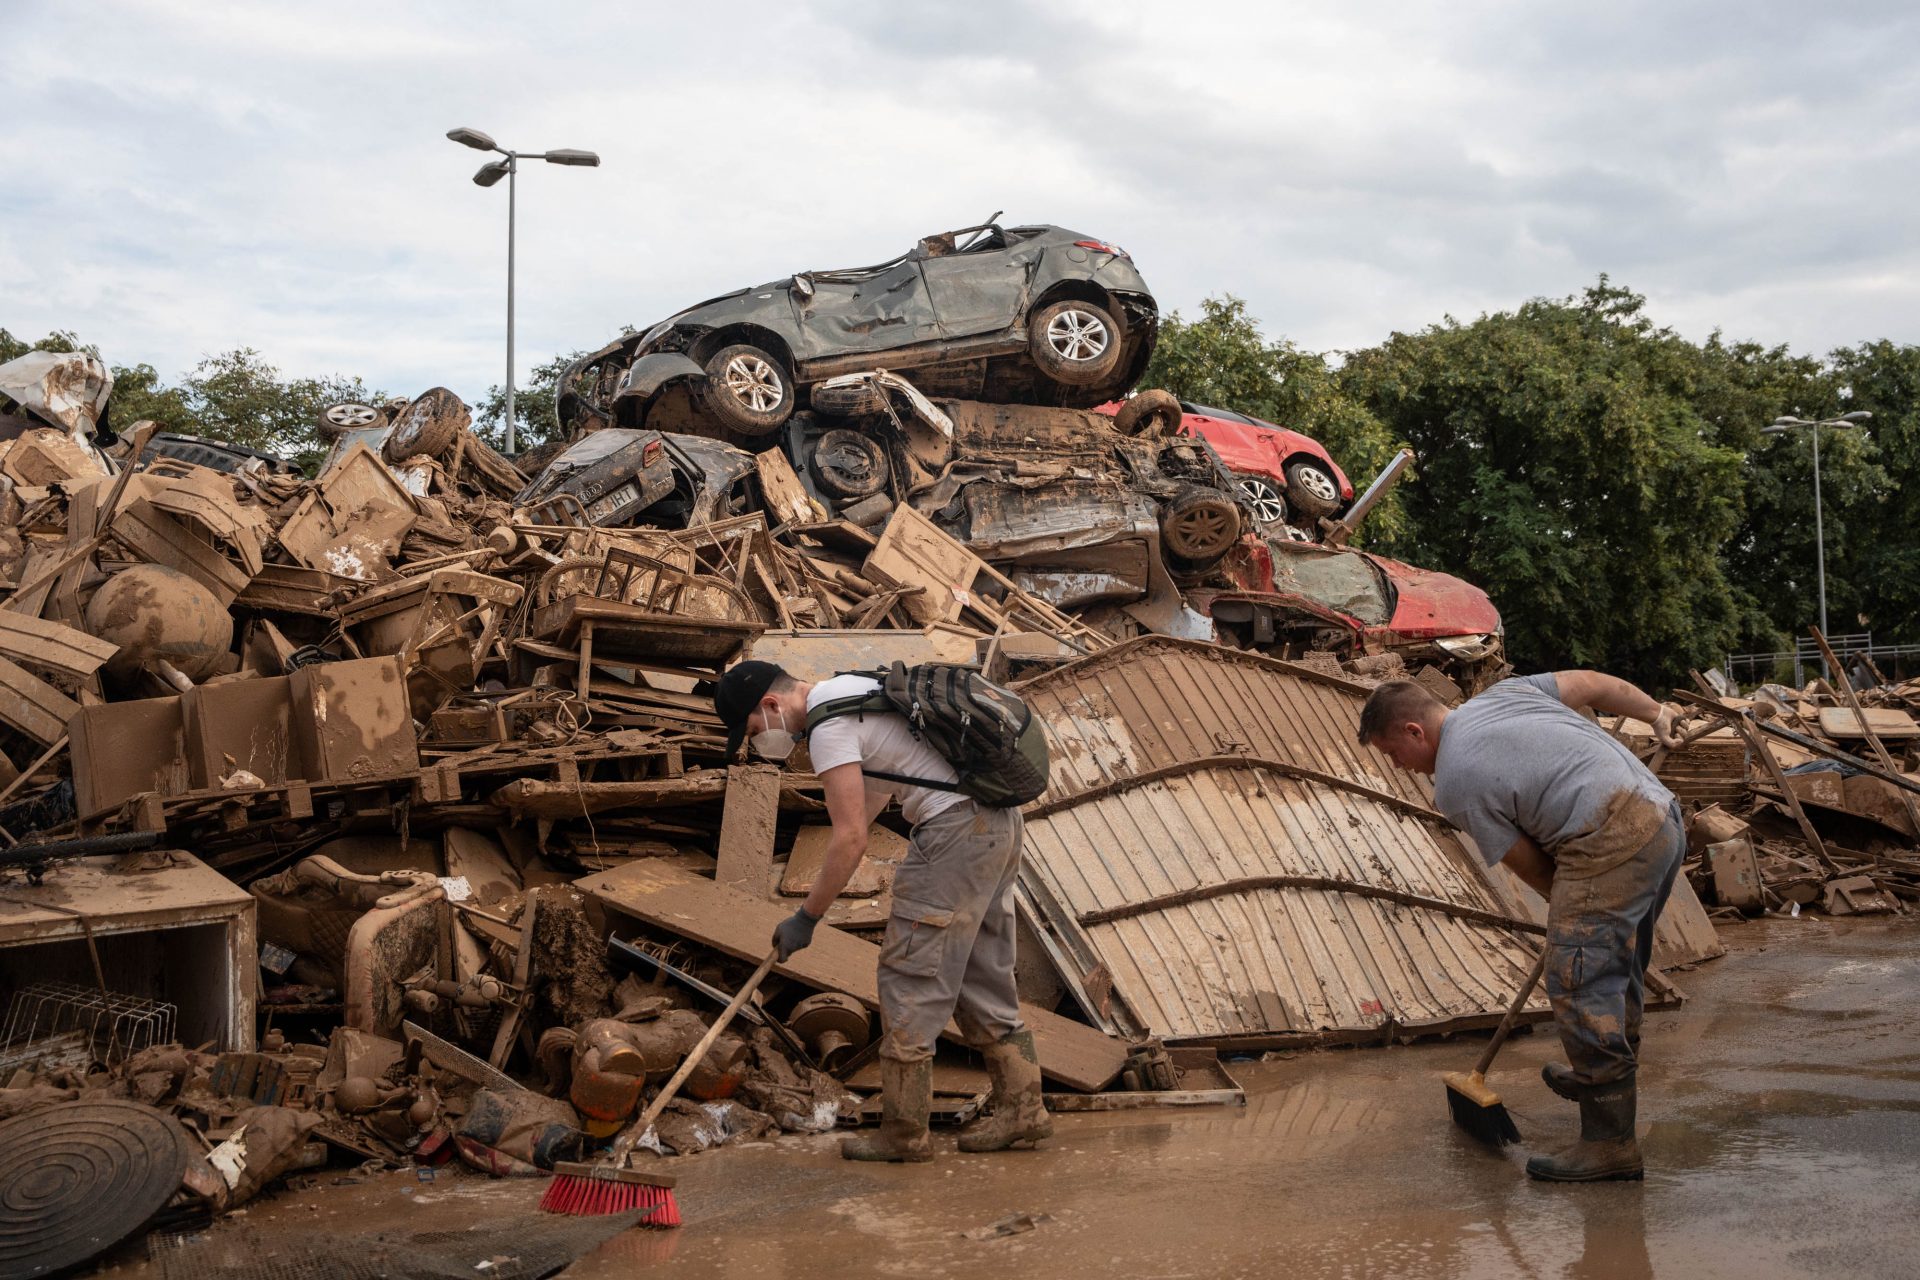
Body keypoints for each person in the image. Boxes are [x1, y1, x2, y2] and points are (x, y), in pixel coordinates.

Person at [712, 659, 1048, 1162]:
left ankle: (904, 1132)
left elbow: (851, 838)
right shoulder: (855, 687)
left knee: (909, 974)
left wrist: (807, 916)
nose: (760, 742)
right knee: (982, 970)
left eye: (756, 730)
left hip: (953, 836)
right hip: (996, 825)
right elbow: (872, 798)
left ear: (771, 704)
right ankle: (1024, 1109)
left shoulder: (827, 728)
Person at [1357, 670, 1687, 1182]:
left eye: (1393, 754)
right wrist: (1656, 712)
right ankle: (1601, 1077)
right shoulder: (1505, 694)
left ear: (1413, 732)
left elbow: (1533, 867)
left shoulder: (1455, 781)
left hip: (1609, 838)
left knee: (1580, 981)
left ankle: (1610, 1144)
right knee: (1616, 966)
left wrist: (1572, 927)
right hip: (1662, 821)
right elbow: (1593, 683)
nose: (1401, 768)